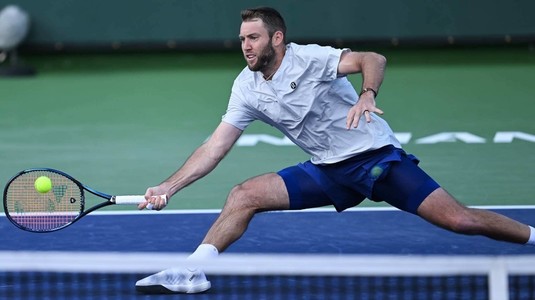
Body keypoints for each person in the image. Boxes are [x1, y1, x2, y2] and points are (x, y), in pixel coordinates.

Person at [135, 6, 535, 294]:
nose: (245, 46)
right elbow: (215, 147)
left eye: (253, 37)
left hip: (374, 159)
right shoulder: (246, 87)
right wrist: (170, 186)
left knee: (460, 221)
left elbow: (371, 58)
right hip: (327, 169)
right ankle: (193, 271)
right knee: (244, 195)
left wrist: (367, 93)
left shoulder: (309, 59)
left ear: (277, 38)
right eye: (242, 39)